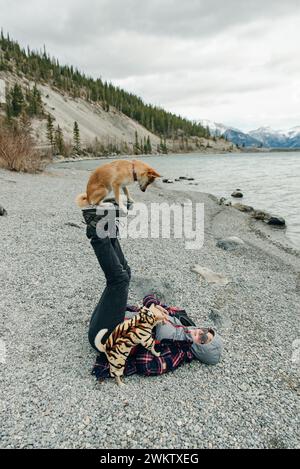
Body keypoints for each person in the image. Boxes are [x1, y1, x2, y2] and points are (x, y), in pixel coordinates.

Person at [82, 200, 223, 380]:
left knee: (119, 280)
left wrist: (148, 329)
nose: (200, 332)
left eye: (203, 339)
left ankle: (95, 230)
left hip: (105, 336)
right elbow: (148, 299)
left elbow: (145, 365)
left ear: (200, 349)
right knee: (126, 273)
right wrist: (154, 306)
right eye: (205, 331)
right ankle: (106, 226)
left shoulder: (177, 353)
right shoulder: (183, 321)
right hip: (111, 318)